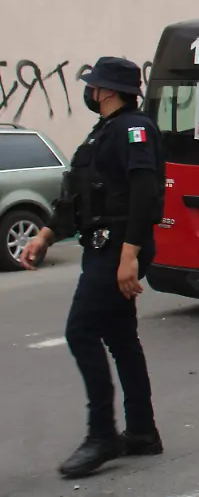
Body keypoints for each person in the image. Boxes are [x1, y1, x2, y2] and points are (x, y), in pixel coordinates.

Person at [19, 57, 164, 479]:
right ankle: (141, 432)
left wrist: (129, 255)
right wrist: (45, 236)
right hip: (104, 245)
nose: (90, 91)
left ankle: (101, 434)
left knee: (80, 330)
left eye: (94, 86)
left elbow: (144, 194)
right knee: (120, 336)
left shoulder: (135, 130)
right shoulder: (103, 133)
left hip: (119, 246)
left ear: (106, 90)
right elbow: (79, 198)